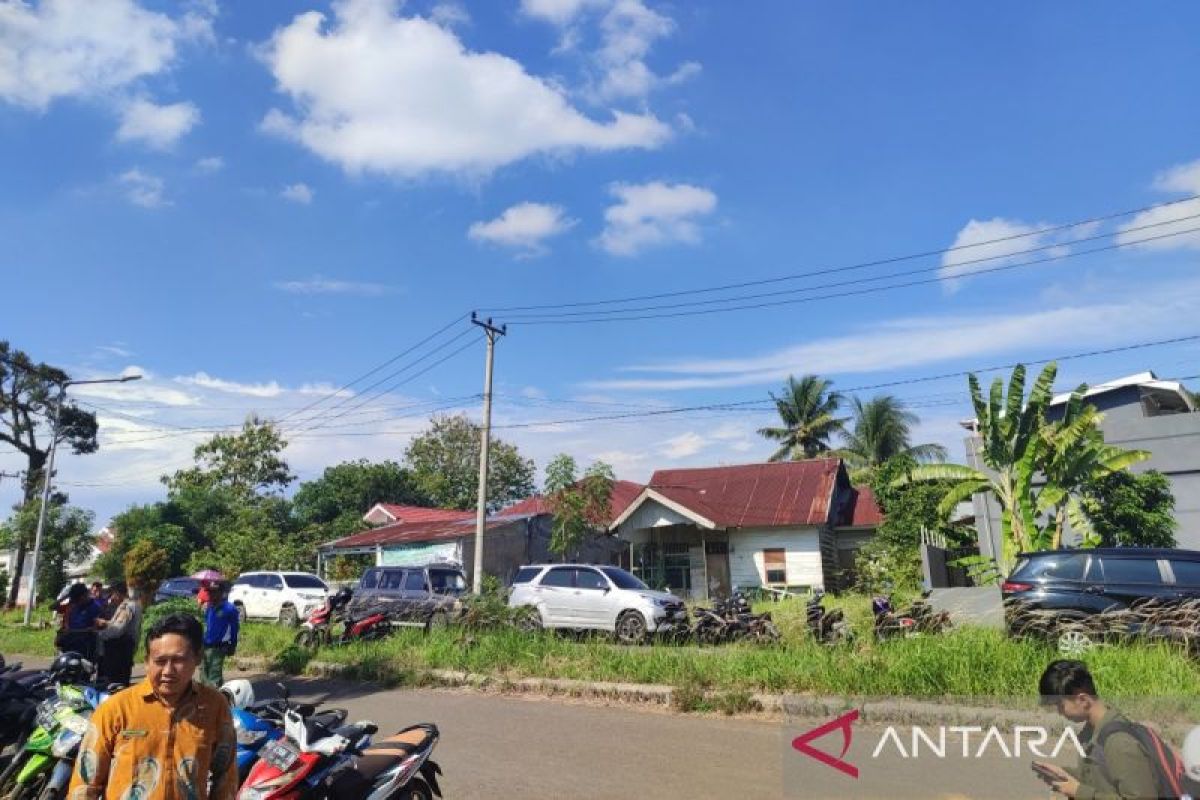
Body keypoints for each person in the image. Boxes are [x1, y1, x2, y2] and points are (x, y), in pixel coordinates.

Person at [68, 613, 238, 800]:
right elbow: (84, 785)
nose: (168, 671)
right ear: (147, 661)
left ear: (197, 658)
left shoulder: (214, 706)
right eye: (160, 661)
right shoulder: (116, 709)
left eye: (178, 660)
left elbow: (226, 779)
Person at [1033, 659, 1159, 799]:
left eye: (1060, 705)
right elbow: (1102, 781)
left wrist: (1078, 791)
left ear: (1083, 700)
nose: (1059, 712)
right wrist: (1065, 776)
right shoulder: (1091, 731)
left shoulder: (1119, 742)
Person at [96, 582, 142, 686]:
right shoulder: (135, 604)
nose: (112, 598)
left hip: (119, 651)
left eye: (113, 594)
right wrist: (107, 622)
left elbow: (117, 630)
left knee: (115, 686)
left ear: (118, 593)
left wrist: (99, 634)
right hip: (125, 650)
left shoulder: (126, 607)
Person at [201, 581, 239, 687]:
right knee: (203, 676)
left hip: (219, 647)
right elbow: (207, 626)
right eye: (209, 592)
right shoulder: (209, 607)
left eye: (214, 592)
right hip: (205, 646)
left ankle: (214, 701)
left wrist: (233, 645)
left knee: (214, 677)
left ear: (221, 592)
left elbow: (234, 629)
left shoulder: (229, 609)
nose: (210, 594)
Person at [56, 582, 102, 662]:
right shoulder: (73, 605)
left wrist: (75, 631)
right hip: (69, 645)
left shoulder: (95, 607)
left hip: (85, 648)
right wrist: (67, 596)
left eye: (78, 599)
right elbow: (53, 606)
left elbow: (95, 628)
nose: (77, 602)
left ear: (84, 595)